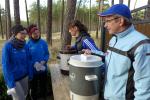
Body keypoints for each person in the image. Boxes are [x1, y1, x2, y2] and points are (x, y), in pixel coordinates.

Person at [85, 4, 150, 100]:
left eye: (108, 21)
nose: (105, 25)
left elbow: (144, 85)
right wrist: (93, 52)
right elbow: (109, 57)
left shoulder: (141, 44)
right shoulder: (114, 38)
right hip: (106, 95)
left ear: (120, 21)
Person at [1, 25, 33, 100]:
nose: (24, 35)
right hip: (14, 80)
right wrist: (11, 83)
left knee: (25, 94)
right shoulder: (8, 46)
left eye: (24, 33)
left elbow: (28, 60)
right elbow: (6, 65)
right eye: (21, 33)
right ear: (15, 34)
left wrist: (30, 73)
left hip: (24, 76)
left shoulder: (25, 45)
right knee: (20, 98)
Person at [27, 24, 50, 100]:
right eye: (34, 33)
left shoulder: (43, 42)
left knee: (43, 87)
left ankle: (44, 97)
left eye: (38, 33)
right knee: (34, 88)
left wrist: (44, 61)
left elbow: (47, 54)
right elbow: (27, 57)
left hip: (43, 69)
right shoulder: (28, 44)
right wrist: (34, 63)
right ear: (30, 34)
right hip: (33, 72)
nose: (37, 35)